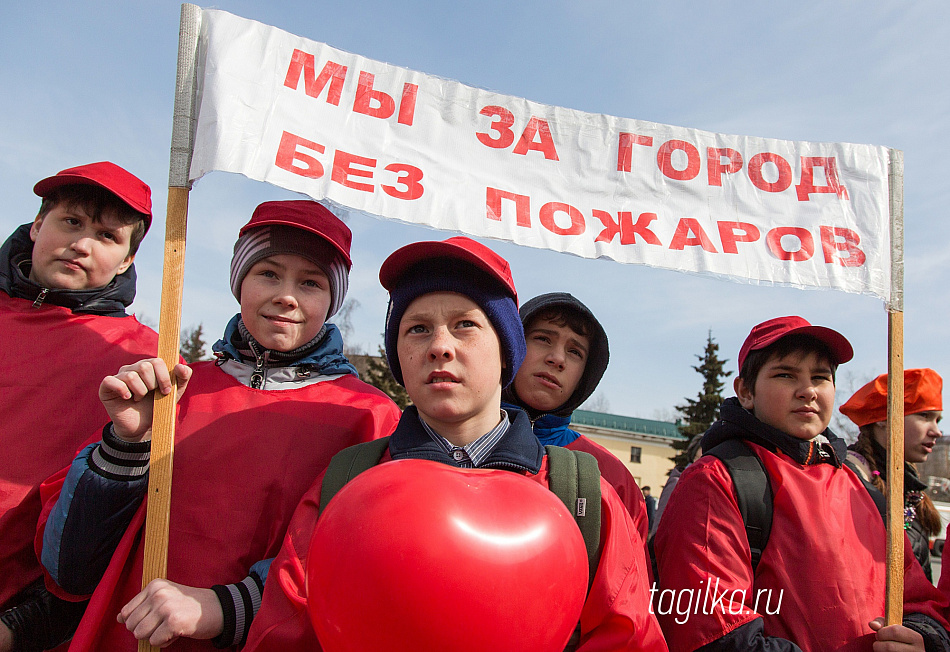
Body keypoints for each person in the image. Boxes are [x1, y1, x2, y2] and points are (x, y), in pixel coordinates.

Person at [242, 236, 668, 651]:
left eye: (465, 325)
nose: (439, 347)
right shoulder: (346, 484)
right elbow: (283, 633)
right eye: (418, 329)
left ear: (507, 352)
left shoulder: (583, 495)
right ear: (398, 357)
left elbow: (629, 636)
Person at [37, 200, 401, 650]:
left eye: (311, 282)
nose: (287, 295)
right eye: (268, 273)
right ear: (239, 281)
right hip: (129, 635)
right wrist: (128, 444)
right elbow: (69, 566)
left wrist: (229, 608)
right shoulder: (175, 388)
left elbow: (350, 566)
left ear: (332, 301)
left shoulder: (368, 415)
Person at [654, 316, 950, 651]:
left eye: (820, 377)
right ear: (746, 392)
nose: (808, 390)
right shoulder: (716, 480)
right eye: (785, 374)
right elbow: (713, 632)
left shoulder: (863, 492)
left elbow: (919, 601)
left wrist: (923, 638)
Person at [0, 162, 159, 652]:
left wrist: (28, 624)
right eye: (71, 222)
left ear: (127, 260)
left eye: (107, 235)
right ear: (37, 226)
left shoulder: (145, 364)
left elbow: (119, 523)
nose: (83, 244)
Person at [501, 292, 650, 542]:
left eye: (575, 352)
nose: (557, 358)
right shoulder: (451, 443)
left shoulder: (613, 478)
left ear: (586, 376)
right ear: (511, 344)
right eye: (543, 338)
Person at [841, 368, 944, 581]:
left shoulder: (910, 487)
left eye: (937, 420)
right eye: (924, 416)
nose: (936, 431)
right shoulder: (848, 479)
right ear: (884, 418)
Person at [650, 434, 702, 538]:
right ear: (693, 457)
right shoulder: (677, 482)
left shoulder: (701, 486)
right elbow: (660, 524)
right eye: (701, 457)